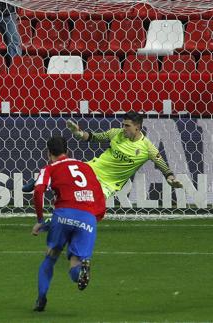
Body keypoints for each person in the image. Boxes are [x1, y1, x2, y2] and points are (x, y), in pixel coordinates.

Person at [23, 111, 183, 198]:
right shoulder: (115, 133)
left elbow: (164, 167)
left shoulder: (148, 147)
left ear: (138, 127)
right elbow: (92, 137)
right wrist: (78, 133)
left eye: (127, 126)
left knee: (88, 206)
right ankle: (38, 181)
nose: (124, 128)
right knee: (62, 172)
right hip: (92, 169)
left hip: (108, 184)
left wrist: (171, 179)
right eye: (123, 125)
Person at [31, 136, 106, 312]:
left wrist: (40, 220)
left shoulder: (49, 168)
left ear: (48, 153)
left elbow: (38, 191)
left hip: (64, 214)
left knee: (51, 256)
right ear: (67, 150)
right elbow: (99, 194)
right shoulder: (86, 167)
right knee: (75, 261)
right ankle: (81, 272)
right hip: (87, 218)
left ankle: (41, 299)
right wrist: (95, 218)